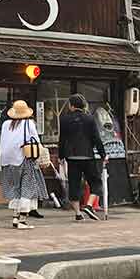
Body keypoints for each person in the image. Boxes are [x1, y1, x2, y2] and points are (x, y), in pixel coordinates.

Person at [0, 100, 49, 229]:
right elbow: (36, 142)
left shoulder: (6, 124)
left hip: (6, 160)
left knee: (15, 188)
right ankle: (22, 220)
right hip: (23, 159)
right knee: (28, 189)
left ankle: (15, 218)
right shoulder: (29, 123)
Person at [58, 93, 108, 221]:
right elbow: (96, 138)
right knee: (95, 182)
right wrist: (103, 155)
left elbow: (62, 139)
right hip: (87, 155)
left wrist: (61, 156)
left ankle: (78, 213)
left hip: (72, 156)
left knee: (74, 184)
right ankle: (90, 205)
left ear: (72, 106)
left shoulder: (64, 119)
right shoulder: (89, 119)